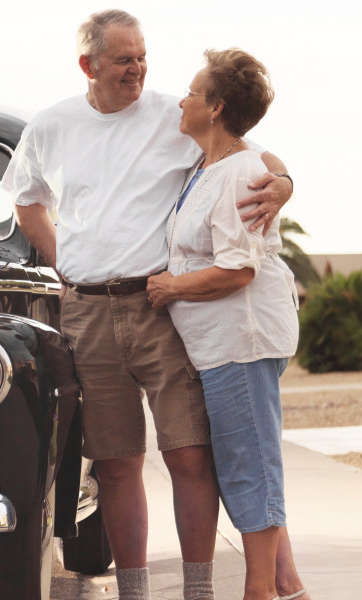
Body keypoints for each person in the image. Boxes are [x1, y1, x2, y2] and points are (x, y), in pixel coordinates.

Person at [1, 9, 294, 600]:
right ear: (89, 65)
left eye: (142, 57)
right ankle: (134, 592)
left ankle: (197, 591)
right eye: (123, 59)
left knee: (189, 455)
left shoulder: (177, 113)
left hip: (161, 308)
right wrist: (67, 260)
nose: (137, 69)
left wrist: (286, 184)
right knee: (114, 462)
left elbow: (254, 157)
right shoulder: (51, 124)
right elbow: (26, 201)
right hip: (86, 310)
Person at [145, 48, 310, 600]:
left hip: (243, 341)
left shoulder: (240, 170)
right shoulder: (208, 165)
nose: (182, 99)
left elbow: (237, 270)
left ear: (215, 107)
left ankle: (259, 591)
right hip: (220, 346)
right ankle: (287, 587)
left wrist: (171, 287)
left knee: (250, 466)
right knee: (246, 459)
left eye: (192, 91)